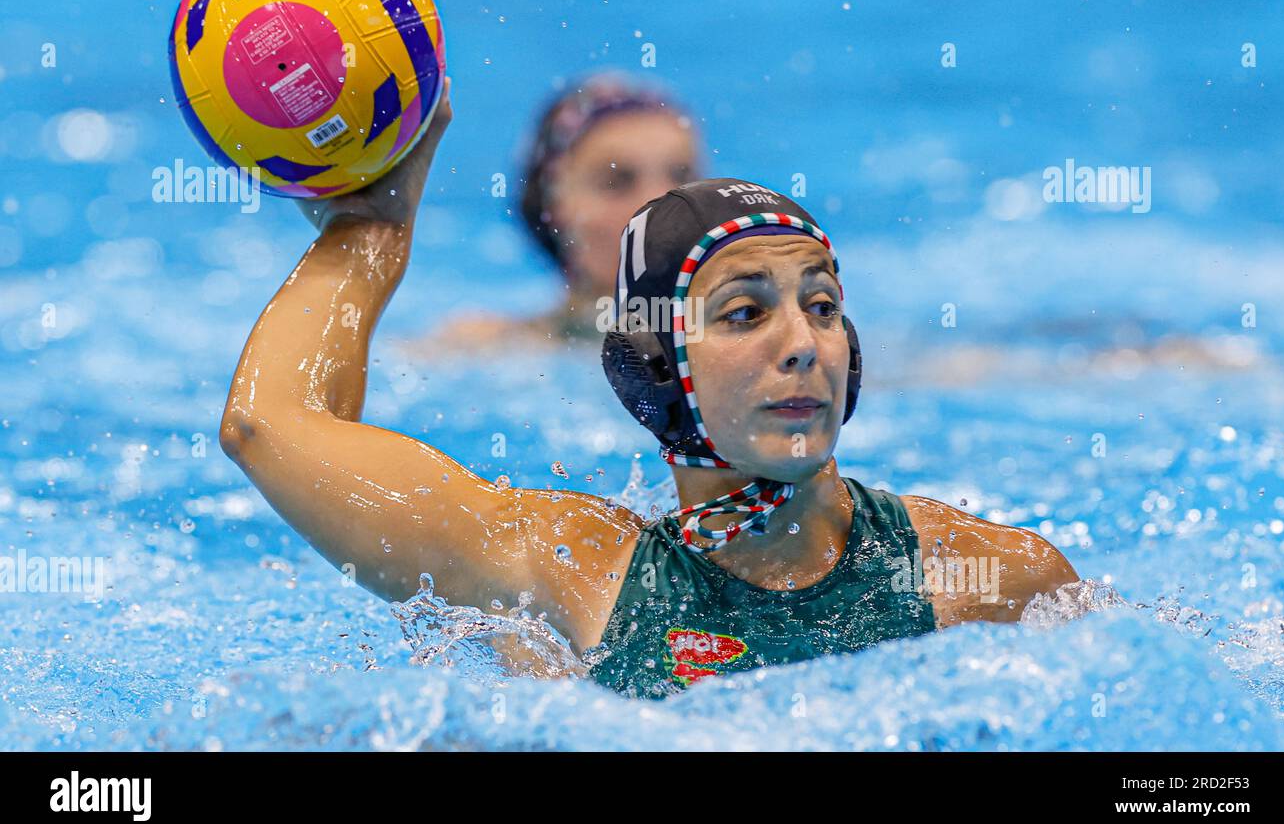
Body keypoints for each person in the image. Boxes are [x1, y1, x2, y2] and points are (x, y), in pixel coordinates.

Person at [223, 83, 1079, 698]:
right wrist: (371, 226)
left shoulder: (981, 580)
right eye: (746, 313)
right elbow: (269, 426)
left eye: (822, 307)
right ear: (653, 366)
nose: (802, 346)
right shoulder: (573, 576)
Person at [414, 71, 700, 350]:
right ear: (555, 207)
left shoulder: (737, 343)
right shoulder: (486, 349)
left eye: (681, 176)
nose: (660, 205)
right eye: (617, 182)